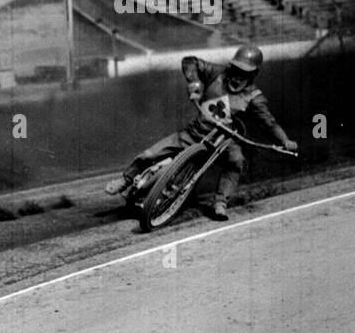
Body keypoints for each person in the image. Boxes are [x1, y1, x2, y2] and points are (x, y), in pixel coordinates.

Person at [104, 45, 297, 220]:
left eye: (244, 73)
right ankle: (125, 179)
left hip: (223, 141)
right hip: (193, 132)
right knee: (150, 154)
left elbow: (270, 123)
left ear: (254, 74)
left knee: (236, 162)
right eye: (236, 69)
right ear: (231, 66)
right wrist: (195, 84)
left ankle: (220, 203)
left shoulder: (254, 97)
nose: (237, 76)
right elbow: (189, 61)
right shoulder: (216, 72)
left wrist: (284, 140)